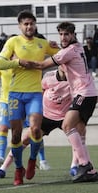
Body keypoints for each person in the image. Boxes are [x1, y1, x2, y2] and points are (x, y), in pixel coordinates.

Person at [22, 21, 98, 183]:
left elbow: (43, 65)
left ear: (73, 35)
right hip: (87, 93)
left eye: (66, 34)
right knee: (76, 128)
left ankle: (85, 165)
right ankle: (87, 168)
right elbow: (64, 55)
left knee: (67, 126)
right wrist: (58, 47)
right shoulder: (77, 47)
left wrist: (21, 62)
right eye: (61, 34)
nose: (63, 37)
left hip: (83, 93)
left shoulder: (68, 51)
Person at [0, 10, 59, 185]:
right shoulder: (13, 41)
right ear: (20, 26)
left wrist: (59, 44)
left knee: (36, 129)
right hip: (15, 94)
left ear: (35, 25)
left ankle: (32, 160)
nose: (29, 26)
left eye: (31, 23)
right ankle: (18, 168)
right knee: (15, 136)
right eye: (25, 24)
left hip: (35, 94)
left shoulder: (42, 43)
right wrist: (18, 62)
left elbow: (64, 53)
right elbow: (0, 63)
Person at [0, 70, 71, 179]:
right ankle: (3, 168)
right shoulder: (49, 76)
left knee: (77, 136)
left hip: (66, 114)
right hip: (46, 114)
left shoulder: (76, 77)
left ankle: (76, 166)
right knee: (26, 135)